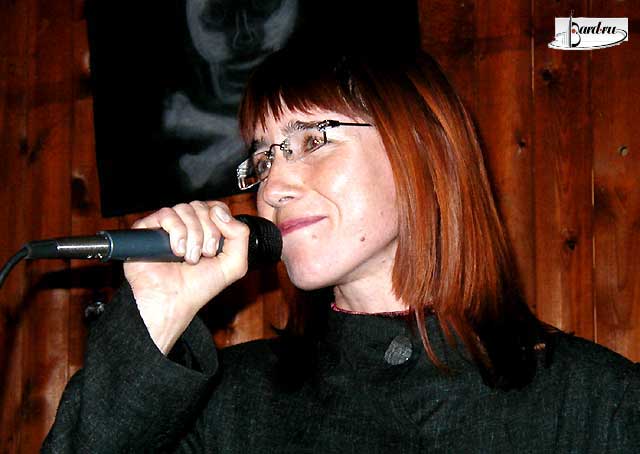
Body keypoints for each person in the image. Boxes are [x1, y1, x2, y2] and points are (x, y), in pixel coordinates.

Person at [43, 45, 639, 453]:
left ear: (422, 150)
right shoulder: (227, 404)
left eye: (311, 141)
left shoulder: (595, 401)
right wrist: (155, 317)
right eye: (264, 158)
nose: (273, 188)